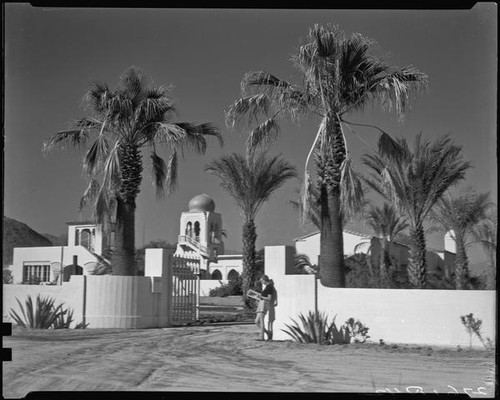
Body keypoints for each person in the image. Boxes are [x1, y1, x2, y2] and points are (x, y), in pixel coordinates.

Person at [254, 274, 275, 341]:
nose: (261, 282)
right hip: (261, 304)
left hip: (264, 304)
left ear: (265, 280)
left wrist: (260, 297)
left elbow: (269, 298)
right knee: (256, 321)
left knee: (261, 321)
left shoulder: (269, 287)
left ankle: (262, 337)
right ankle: (267, 333)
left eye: (262, 281)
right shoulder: (267, 287)